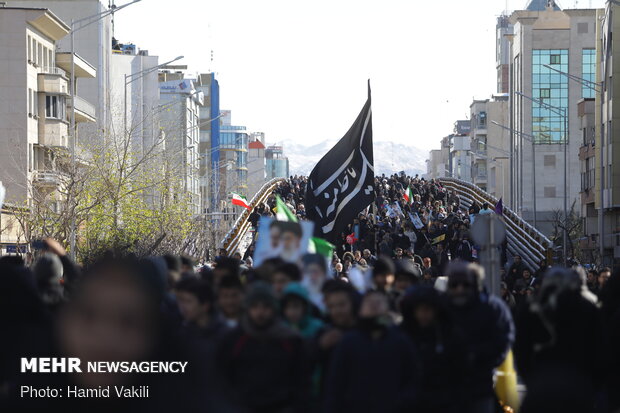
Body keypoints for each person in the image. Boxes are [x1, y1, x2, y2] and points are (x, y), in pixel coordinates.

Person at [218, 281, 309, 413]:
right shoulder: (234, 339)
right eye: (255, 307)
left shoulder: (290, 341)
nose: (260, 312)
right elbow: (224, 379)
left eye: (266, 307)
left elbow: (301, 381)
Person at [324, 291, 418, 413]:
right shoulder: (348, 342)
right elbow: (336, 384)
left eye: (379, 302)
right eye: (369, 303)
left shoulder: (400, 341)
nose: (374, 306)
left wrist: (400, 402)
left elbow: (412, 379)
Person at [446, 261, 514, 413]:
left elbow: (503, 340)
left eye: (465, 284)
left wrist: (476, 355)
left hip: (481, 385)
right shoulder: (441, 307)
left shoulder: (491, 307)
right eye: (454, 284)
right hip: (445, 388)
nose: (460, 289)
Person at [400, 286, 461, 412]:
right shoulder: (403, 335)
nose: (424, 314)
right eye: (420, 310)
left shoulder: (447, 336)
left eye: (427, 310)